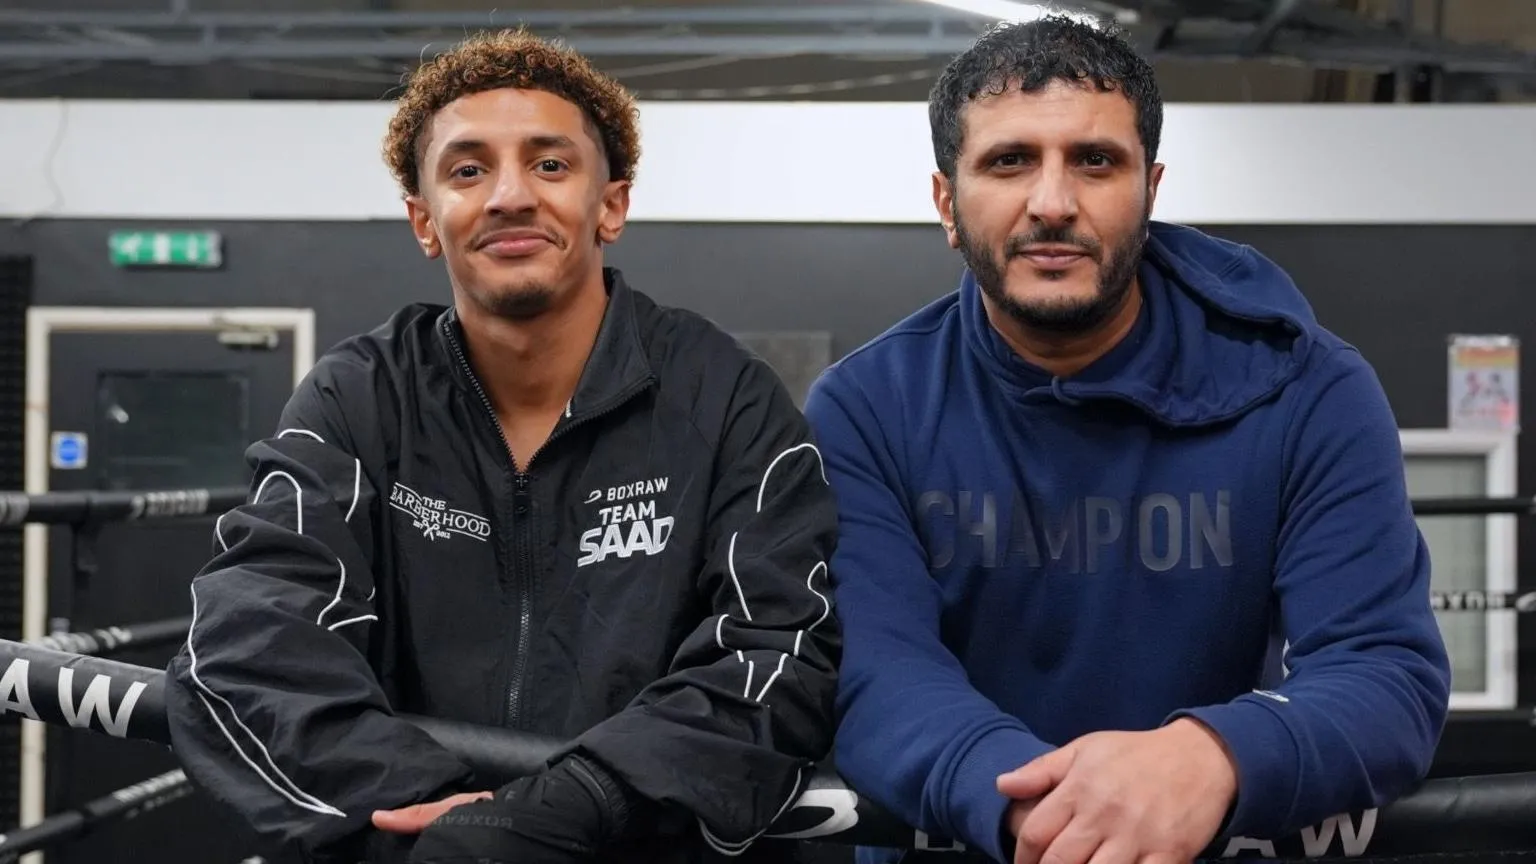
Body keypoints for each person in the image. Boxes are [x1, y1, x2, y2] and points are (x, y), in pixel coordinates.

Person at [164, 28, 841, 864]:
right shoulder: (361, 400)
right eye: (467, 169)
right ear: (424, 220)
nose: (511, 196)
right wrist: (438, 818)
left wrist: (577, 804)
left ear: (612, 205)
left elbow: (779, 651)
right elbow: (249, 640)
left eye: (550, 165)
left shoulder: (724, 397)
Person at [803, 15, 1451, 864]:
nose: (1052, 202)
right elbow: (875, 676)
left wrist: (1211, 755)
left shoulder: (1310, 389)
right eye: (1008, 161)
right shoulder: (865, 408)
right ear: (946, 204)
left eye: (1095, 161)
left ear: (1150, 187)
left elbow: (1384, 670)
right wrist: (1052, 815)